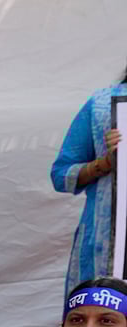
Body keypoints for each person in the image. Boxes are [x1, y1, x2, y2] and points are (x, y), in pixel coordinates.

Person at [51, 70, 127, 297]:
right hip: (106, 250)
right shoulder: (102, 105)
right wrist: (106, 162)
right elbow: (61, 175)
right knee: (101, 323)